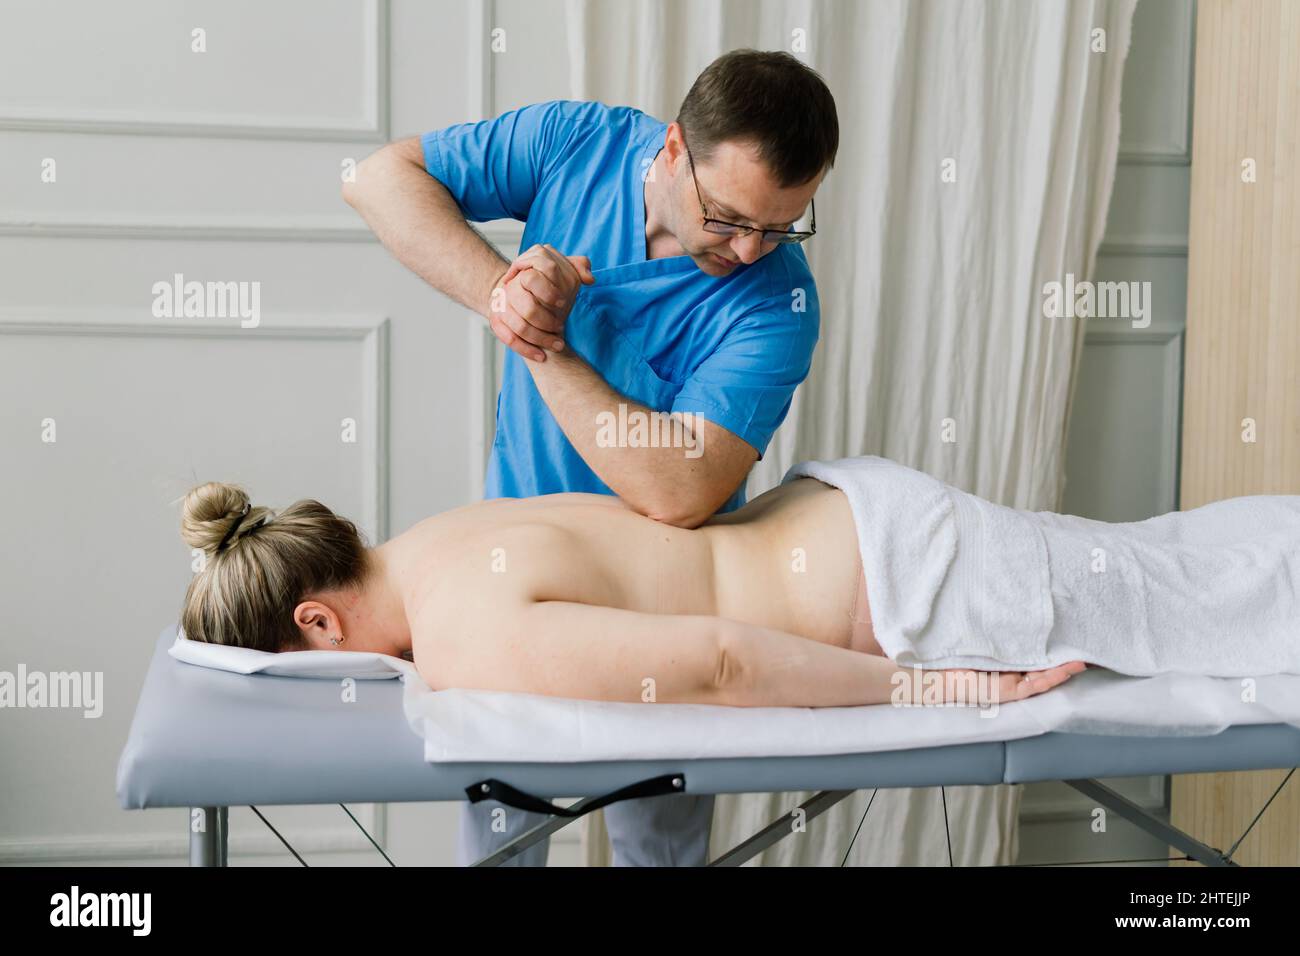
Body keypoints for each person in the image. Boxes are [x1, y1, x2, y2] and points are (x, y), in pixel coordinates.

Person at [342, 49, 838, 865]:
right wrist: (506, 292)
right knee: (504, 841)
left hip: (664, 613)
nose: (752, 251)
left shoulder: (778, 304)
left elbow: (680, 488)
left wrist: (541, 341)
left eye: (781, 224)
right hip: (510, 585)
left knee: (660, 851)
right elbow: (375, 178)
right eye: (729, 217)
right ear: (674, 149)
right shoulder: (576, 141)